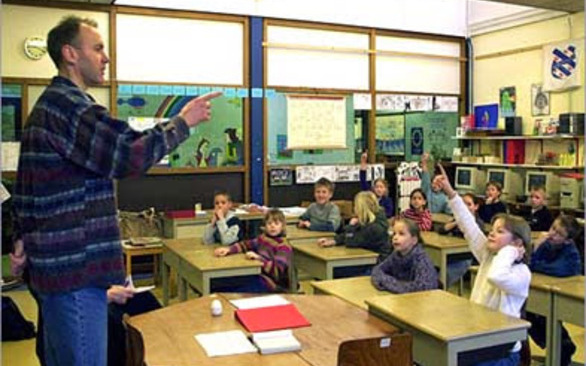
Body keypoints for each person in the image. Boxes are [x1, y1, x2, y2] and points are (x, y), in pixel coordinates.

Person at [11, 16, 221, 366]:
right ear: (70, 54)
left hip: (59, 271)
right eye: (97, 48)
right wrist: (184, 121)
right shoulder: (69, 107)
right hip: (74, 274)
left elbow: (26, 187)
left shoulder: (49, 106)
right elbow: (129, 154)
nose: (106, 57)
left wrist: (21, 238)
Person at [436, 164, 531, 366]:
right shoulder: (490, 256)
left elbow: (496, 276)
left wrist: (511, 250)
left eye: (500, 231)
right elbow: (468, 225)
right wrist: (451, 193)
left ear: (517, 242)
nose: (491, 233)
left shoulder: (521, 272)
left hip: (502, 349)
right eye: (493, 229)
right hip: (479, 338)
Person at [527, 215, 581, 366]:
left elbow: (555, 269)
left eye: (558, 234)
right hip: (545, 290)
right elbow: (530, 266)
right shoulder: (547, 244)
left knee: (544, 318)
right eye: (552, 228)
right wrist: (536, 250)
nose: (551, 234)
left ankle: (563, 348)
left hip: (567, 296)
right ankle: (557, 347)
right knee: (527, 314)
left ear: (568, 240)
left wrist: (535, 255)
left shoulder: (571, 253)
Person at [214, 209, 292, 292]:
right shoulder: (262, 239)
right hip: (256, 274)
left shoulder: (283, 246)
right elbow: (245, 245)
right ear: (264, 226)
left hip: (270, 282)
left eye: (276, 224)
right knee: (220, 284)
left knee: (237, 293)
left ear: (282, 226)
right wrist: (229, 250)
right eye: (269, 223)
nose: (272, 226)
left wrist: (258, 258)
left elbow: (277, 271)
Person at [317, 191, 391, 277]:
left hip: (375, 265)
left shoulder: (375, 227)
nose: (354, 208)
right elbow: (350, 235)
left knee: (334, 271)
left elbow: (352, 241)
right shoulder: (366, 220)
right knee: (323, 270)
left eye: (355, 206)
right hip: (363, 261)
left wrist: (351, 226)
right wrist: (334, 241)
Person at [371, 218, 438, 293]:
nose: (395, 238)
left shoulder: (421, 260)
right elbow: (377, 270)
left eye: (401, 234)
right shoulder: (395, 255)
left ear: (414, 240)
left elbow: (423, 289)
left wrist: (387, 283)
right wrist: (394, 284)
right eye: (394, 234)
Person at [438, 193, 484, 288]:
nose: (465, 207)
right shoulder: (456, 219)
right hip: (451, 253)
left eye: (469, 204)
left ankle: (440, 287)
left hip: (467, 256)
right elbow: (441, 230)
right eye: (463, 204)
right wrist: (456, 222)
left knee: (446, 273)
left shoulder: (478, 223)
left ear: (476, 207)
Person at [359, 151, 393, 218]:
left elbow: (389, 213)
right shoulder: (370, 196)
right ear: (373, 188)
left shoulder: (387, 200)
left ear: (385, 189)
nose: (379, 189)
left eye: (381, 187)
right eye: (377, 187)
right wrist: (363, 163)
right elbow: (363, 181)